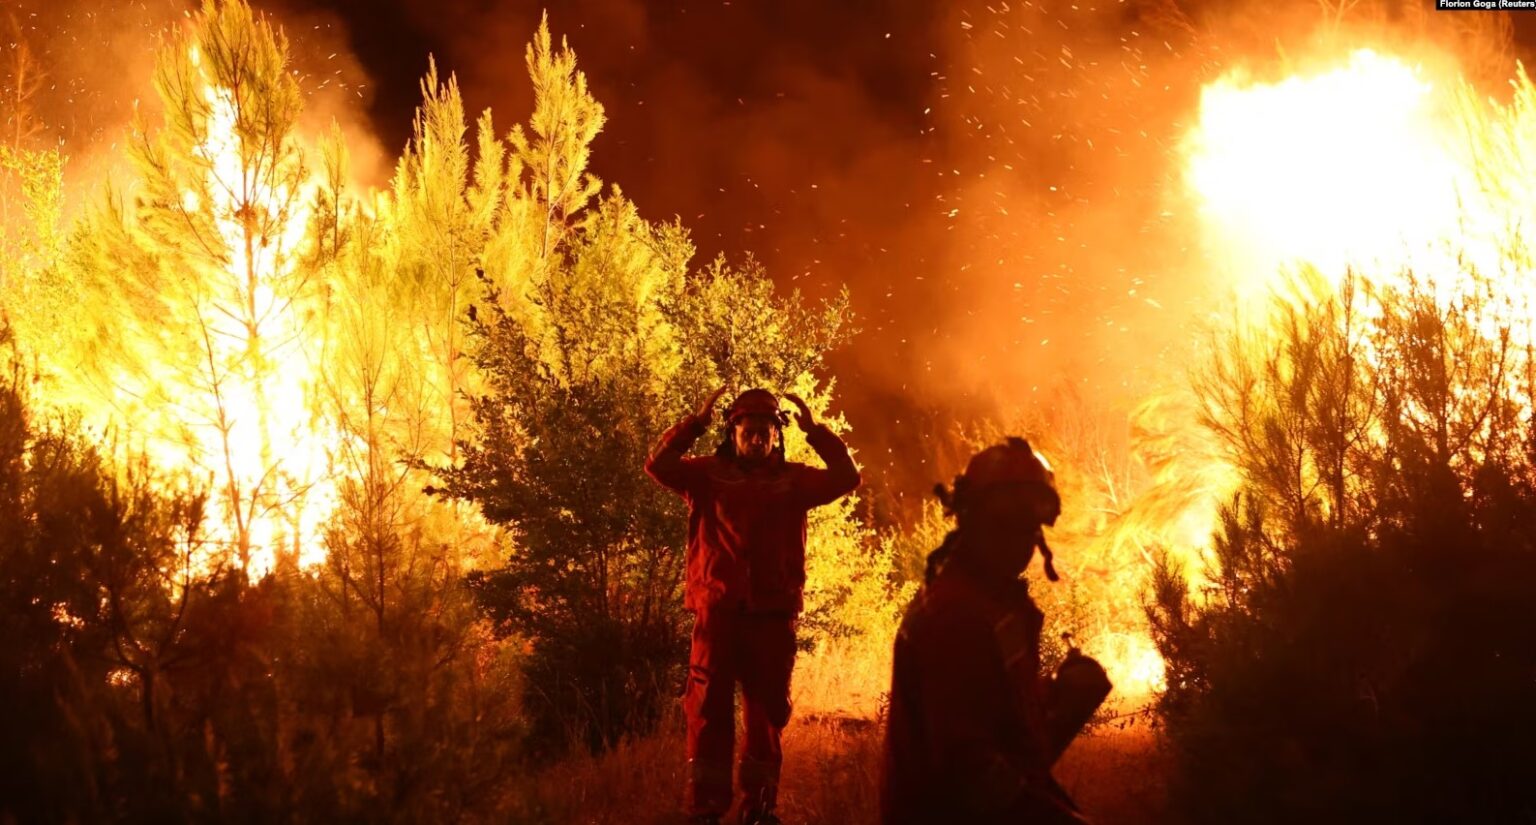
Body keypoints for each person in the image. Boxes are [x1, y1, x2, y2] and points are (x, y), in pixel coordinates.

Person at [646, 387, 861, 825]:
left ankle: (759, 809)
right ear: (733, 432)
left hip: (771, 619)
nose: (758, 438)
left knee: (766, 716)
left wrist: (818, 433)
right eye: (750, 430)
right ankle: (706, 809)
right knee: (708, 713)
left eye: (766, 431)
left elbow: (846, 478)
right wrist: (695, 424)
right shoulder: (705, 476)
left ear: (777, 436)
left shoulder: (795, 481)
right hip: (717, 617)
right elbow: (658, 465)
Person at [879, 437, 1111, 825]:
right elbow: (967, 772)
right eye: (1003, 523)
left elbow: (1004, 726)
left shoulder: (997, 602)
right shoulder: (953, 616)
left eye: (1028, 525)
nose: (1019, 539)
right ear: (972, 521)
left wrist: (1061, 698)